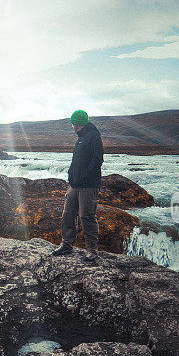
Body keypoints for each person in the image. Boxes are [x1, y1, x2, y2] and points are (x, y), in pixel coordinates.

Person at [51, 109, 104, 261]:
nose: (72, 126)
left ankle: (92, 250)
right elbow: (77, 161)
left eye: (73, 123)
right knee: (68, 213)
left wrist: (84, 176)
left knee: (86, 216)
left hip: (88, 185)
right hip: (75, 184)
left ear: (79, 123)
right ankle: (67, 244)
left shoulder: (93, 136)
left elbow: (98, 160)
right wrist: (70, 174)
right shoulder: (81, 137)